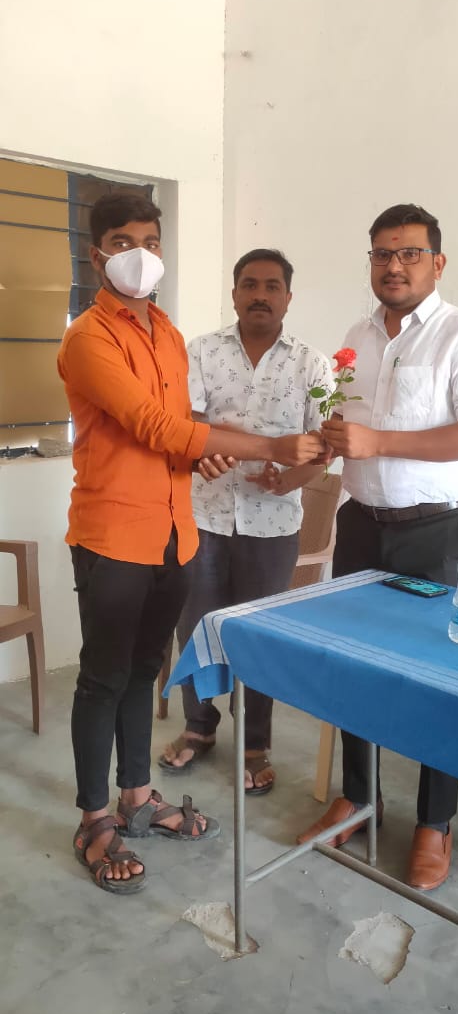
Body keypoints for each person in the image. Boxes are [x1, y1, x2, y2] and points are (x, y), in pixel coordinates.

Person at [58, 195, 321, 895]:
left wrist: (201, 456)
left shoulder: (168, 335)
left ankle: (137, 798)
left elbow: (179, 432)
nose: (139, 254)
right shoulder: (88, 338)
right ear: (97, 254)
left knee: (144, 670)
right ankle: (94, 820)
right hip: (114, 532)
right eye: (122, 242)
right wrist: (269, 445)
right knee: (104, 677)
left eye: (150, 240)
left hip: (176, 531)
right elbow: (154, 425)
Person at [297, 203, 458, 891]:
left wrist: (378, 441)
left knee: (437, 677)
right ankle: (360, 798)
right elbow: (345, 427)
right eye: (382, 254)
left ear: (436, 263)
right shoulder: (356, 337)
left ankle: (434, 823)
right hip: (361, 525)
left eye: (409, 253)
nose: (394, 265)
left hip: (436, 533)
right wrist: (310, 452)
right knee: (354, 667)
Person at [158, 248, 333, 794]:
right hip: (204, 514)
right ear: (234, 293)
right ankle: (199, 726)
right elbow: (186, 423)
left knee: (259, 635)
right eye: (250, 285)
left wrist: (291, 480)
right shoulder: (200, 351)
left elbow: (324, 448)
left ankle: (255, 743)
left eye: (272, 286)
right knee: (197, 625)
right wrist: (201, 452)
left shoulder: (313, 364)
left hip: (273, 524)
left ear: (288, 296)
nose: (260, 295)